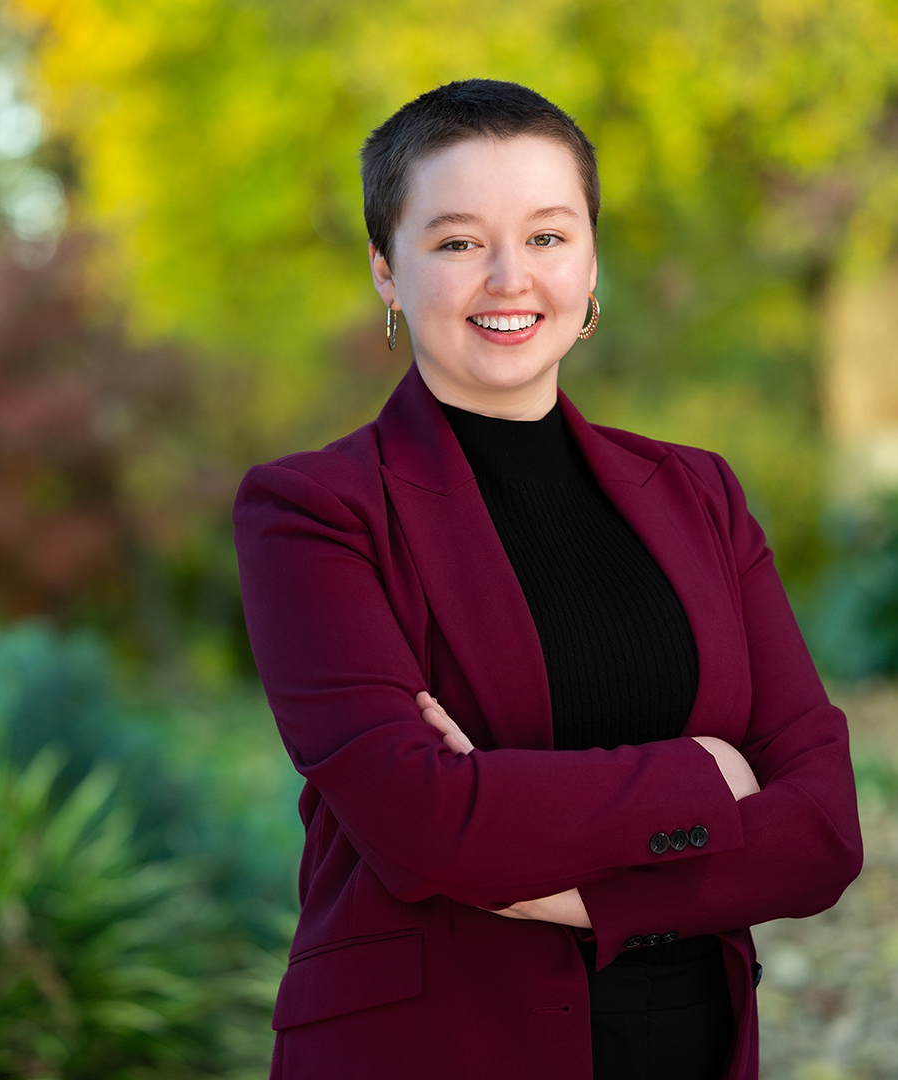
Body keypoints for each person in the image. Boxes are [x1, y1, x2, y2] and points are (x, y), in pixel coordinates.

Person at [233, 79, 862, 1080]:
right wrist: (709, 776)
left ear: (591, 260)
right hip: (435, 1050)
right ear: (386, 273)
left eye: (547, 236)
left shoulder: (699, 492)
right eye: (455, 242)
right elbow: (424, 824)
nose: (508, 278)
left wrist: (572, 881)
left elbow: (824, 831)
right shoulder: (314, 511)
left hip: (691, 1042)